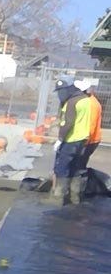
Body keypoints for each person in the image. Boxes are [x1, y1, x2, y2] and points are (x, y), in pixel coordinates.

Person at [51, 76, 94, 204]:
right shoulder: (85, 100)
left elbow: (68, 123)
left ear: (69, 89)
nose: (60, 94)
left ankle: (58, 198)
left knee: (62, 168)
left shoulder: (72, 102)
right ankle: (75, 197)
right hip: (82, 140)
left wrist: (60, 139)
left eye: (62, 91)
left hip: (71, 140)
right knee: (75, 168)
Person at [78, 79, 103, 173]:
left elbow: (90, 125)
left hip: (88, 141)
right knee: (78, 165)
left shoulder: (91, 104)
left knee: (79, 166)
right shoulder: (88, 101)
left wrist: (83, 142)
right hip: (88, 139)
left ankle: (77, 185)